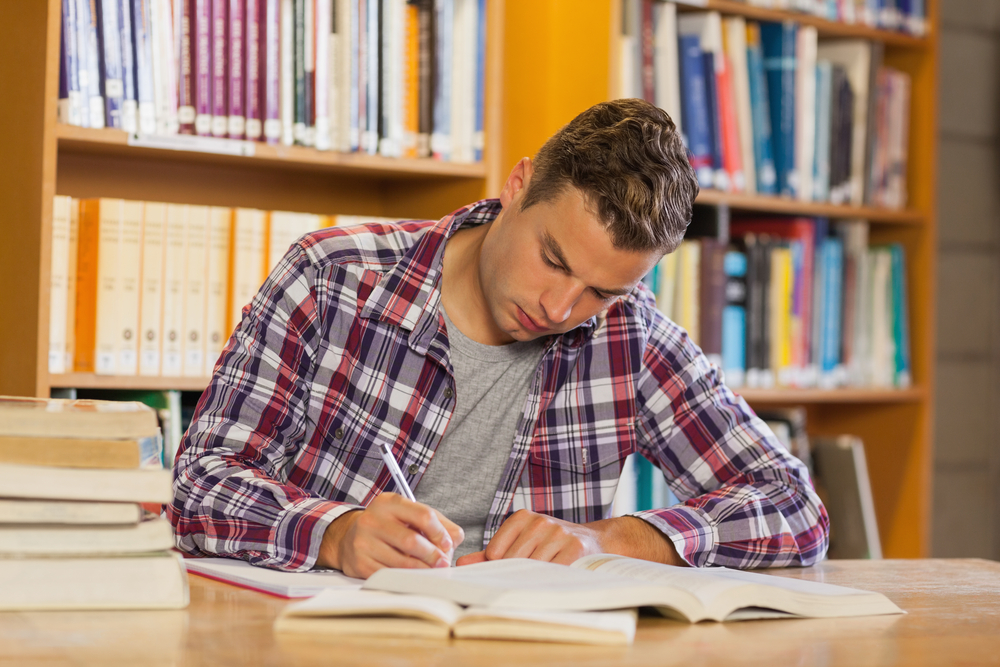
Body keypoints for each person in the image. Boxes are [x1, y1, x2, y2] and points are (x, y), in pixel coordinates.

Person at [168, 99, 829, 578]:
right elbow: (200, 485)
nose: (561, 306)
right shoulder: (331, 278)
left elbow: (794, 506)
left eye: (601, 291)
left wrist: (613, 539)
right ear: (517, 186)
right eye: (554, 259)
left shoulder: (633, 336)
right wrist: (334, 532)